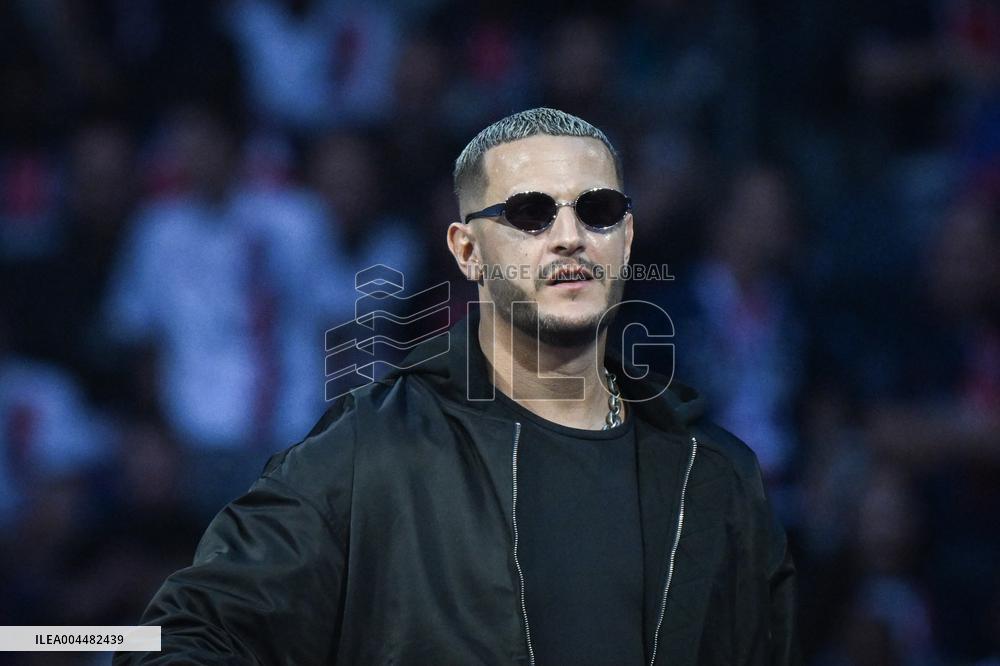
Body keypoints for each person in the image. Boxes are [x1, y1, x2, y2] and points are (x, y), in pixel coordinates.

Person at [115, 107, 798, 665]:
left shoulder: (716, 478)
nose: (569, 237)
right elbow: (169, 637)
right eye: (529, 213)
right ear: (467, 251)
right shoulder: (370, 452)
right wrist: (35, 638)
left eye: (598, 210)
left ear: (625, 239)